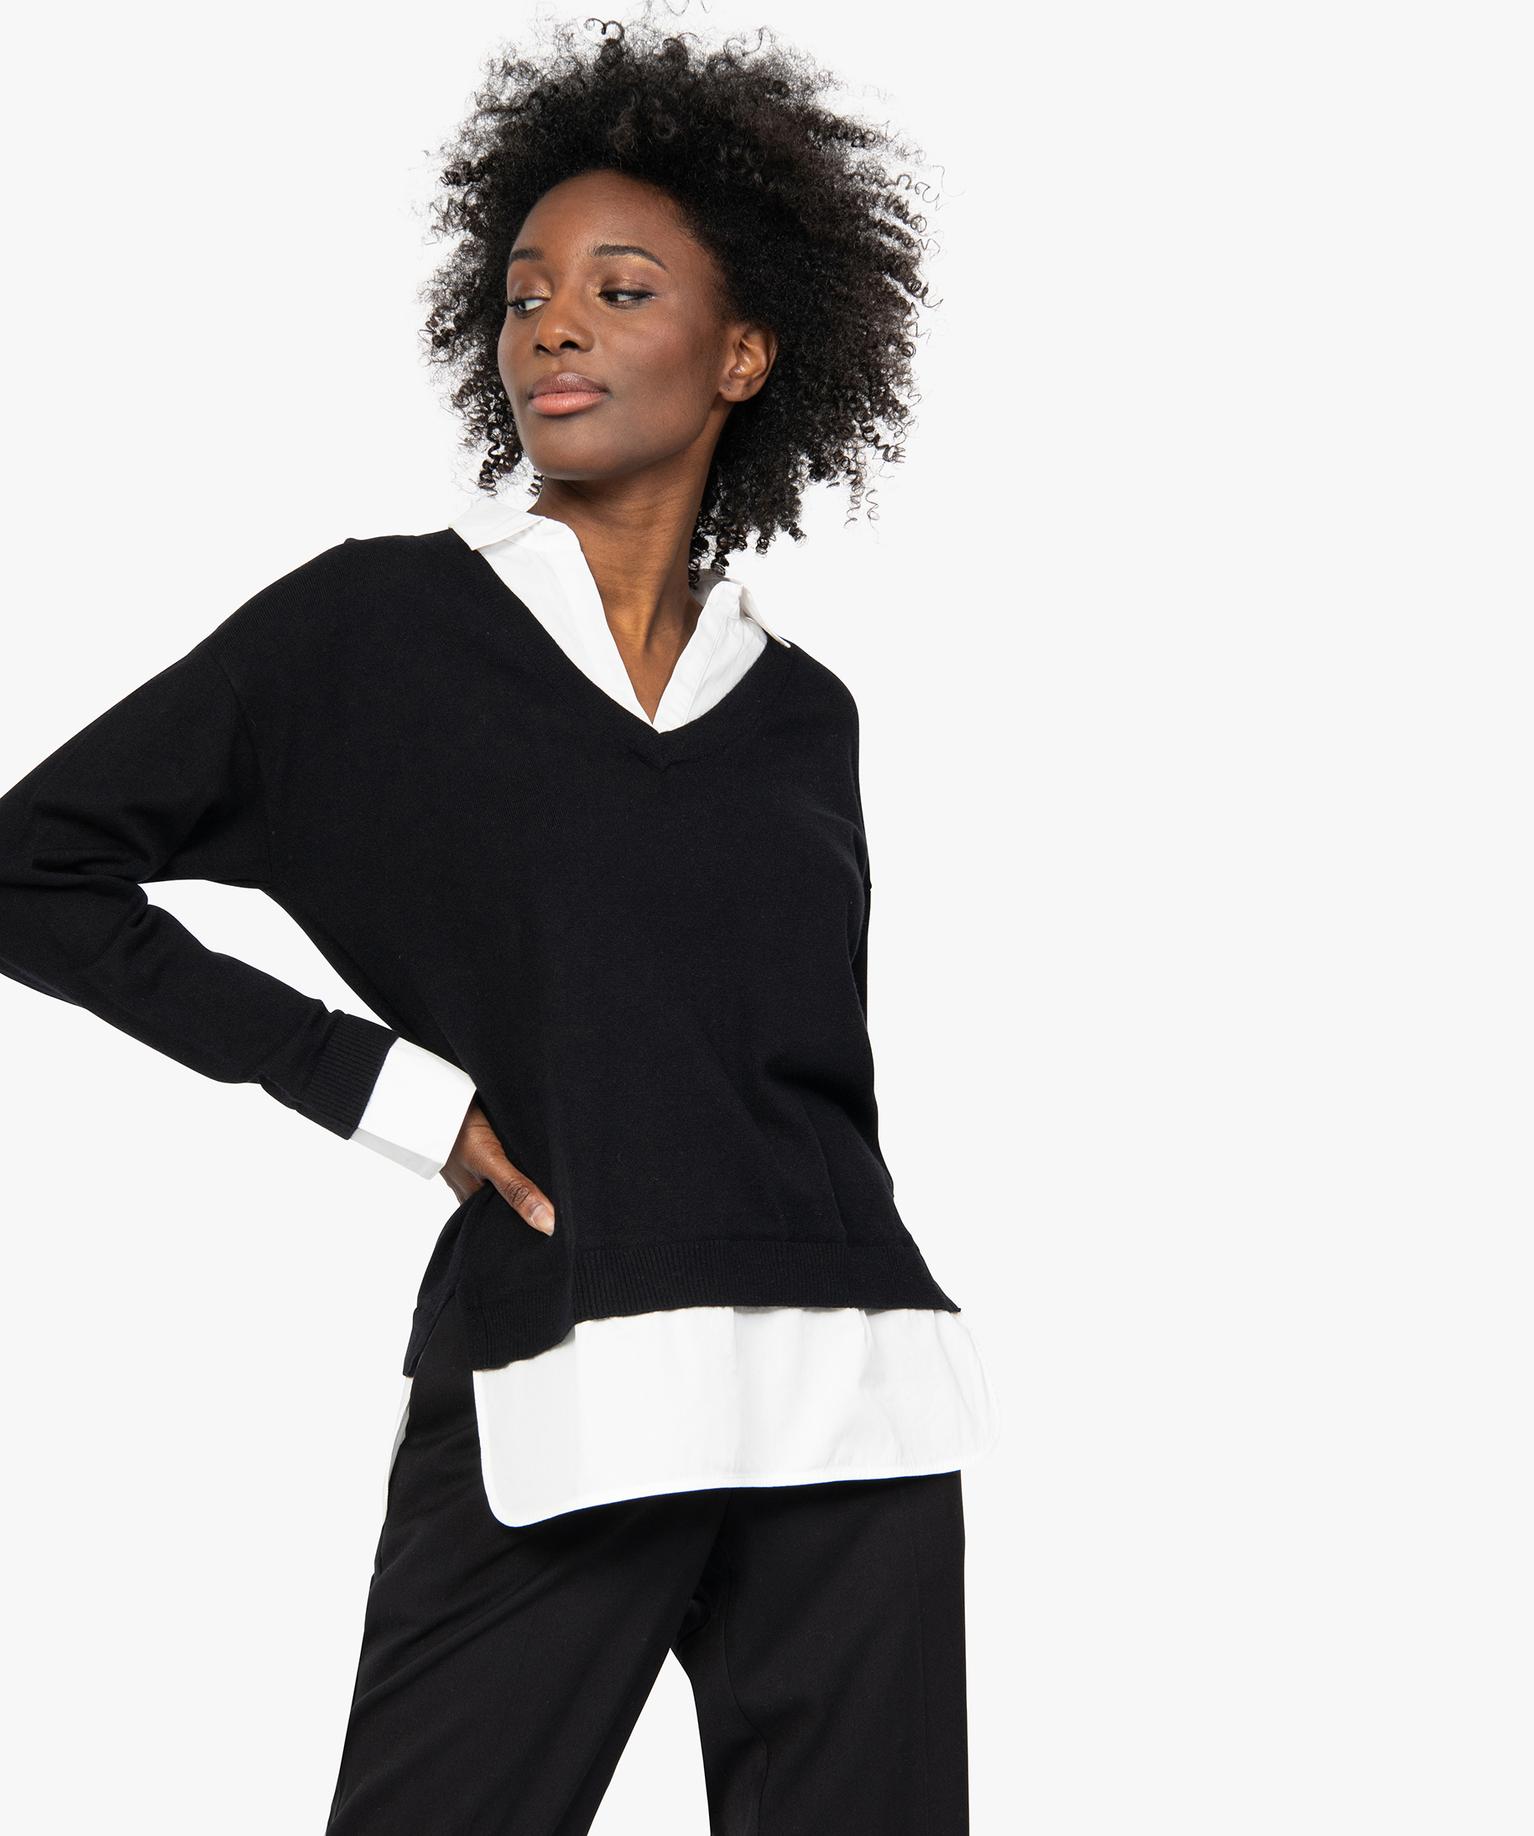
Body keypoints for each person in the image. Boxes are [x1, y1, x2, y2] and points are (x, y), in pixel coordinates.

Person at [0, 15, 999, 1832]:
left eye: (621, 290)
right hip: (564, 1371)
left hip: (852, 1394)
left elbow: (797, 1069)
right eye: (527, 291)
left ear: (746, 351)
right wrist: (388, 1092)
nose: (551, 325)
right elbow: (31, 865)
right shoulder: (371, 636)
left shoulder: (802, 710)